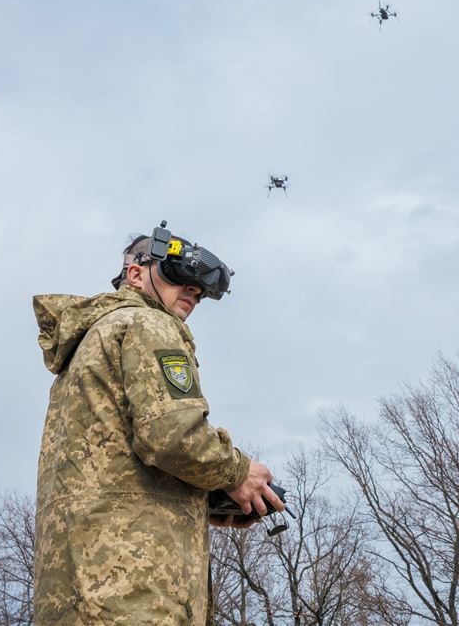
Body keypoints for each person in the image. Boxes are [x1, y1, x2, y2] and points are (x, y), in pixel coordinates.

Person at [32, 223, 283, 625]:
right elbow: (172, 436)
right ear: (135, 274)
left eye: (199, 290)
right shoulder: (147, 324)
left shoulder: (87, 347)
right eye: (178, 275)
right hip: (136, 593)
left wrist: (211, 497)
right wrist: (238, 473)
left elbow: (113, 469)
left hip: (80, 592)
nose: (193, 292)